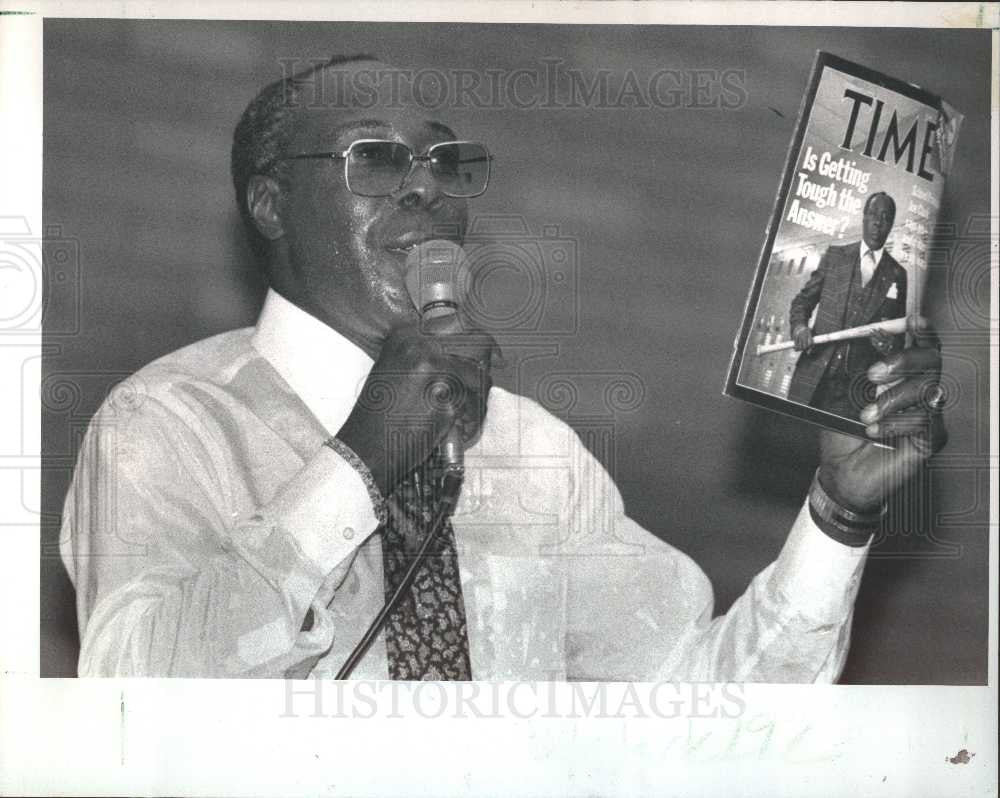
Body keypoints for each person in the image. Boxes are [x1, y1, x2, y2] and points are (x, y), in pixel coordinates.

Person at [59, 55, 946, 680]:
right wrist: (359, 467)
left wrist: (839, 516)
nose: (427, 187)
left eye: (446, 162)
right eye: (376, 159)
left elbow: (703, 710)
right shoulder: (165, 425)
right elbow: (136, 697)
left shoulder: (535, 454)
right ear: (269, 203)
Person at [787, 192, 909, 419]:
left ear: (891, 224)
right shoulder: (835, 257)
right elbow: (802, 302)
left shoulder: (897, 275)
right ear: (863, 217)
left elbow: (898, 339)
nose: (877, 222)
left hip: (853, 394)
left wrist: (888, 346)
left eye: (885, 217)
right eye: (873, 214)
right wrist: (799, 327)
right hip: (811, 376)